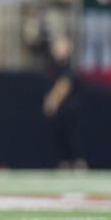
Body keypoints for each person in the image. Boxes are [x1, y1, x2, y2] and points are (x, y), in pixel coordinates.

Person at [42, 35, 86, 170]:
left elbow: (64, 85)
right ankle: (63, 163)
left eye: (62, 45)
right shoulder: (51, 65)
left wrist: (52, 100)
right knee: (59, 143)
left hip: (70, 110)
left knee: (72, 139)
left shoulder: (71, 66)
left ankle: (77, 163)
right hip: (59, 113)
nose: (58, 48)